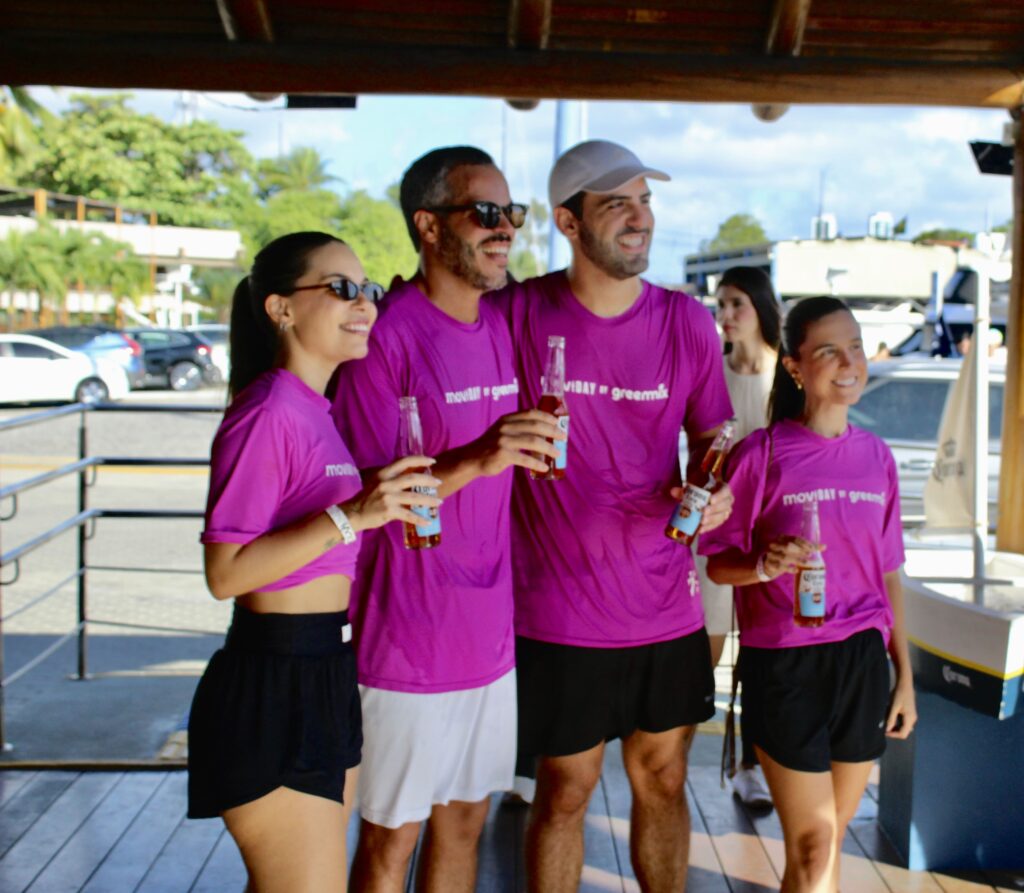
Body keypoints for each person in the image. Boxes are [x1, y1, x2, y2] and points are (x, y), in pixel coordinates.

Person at [491, 139, 735, 892]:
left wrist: (716, 488)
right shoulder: (516, 313)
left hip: (665, 603)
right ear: (568, 222)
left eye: (646, 201)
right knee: (564, 789)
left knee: (664, 779)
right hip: (557, 611)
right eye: (617, 203)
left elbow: (713, 439)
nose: (640, 218)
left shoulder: (686, 322)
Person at [331, 147, 563, 893]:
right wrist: (479, 457)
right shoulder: (384, 338)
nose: (506, 229)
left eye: (512, 213)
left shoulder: (495, 326)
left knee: (465, 824)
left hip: (487, 633)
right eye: (485, 212)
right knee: (390, 839)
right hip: (405, 638)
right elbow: (369, 498)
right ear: (428, 226)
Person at [187, 231, 441, 893]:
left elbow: (311, 519)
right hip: (275, 678)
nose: (365, 304)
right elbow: (225, 573)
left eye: (369, 290)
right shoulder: (268, 410)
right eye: (342, 288)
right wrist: (352, 514)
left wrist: (372, 498)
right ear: (281, 308)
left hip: (325, 668)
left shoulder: (313, 409)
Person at [701, 295, 917, 893]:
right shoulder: (761, 454)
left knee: (827, 843)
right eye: (829, 351)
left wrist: (904, 676)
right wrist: (763, 566)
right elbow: (718, 566)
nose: (849, 363)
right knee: (814, 842)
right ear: (795, 366)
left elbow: (889, 576)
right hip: (785, 664)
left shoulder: (877, 458)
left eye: (855, 347)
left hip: (862, 662)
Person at [697, 265, 780, 810]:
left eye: (736, 304)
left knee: (761, 661)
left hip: (771, 533)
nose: (725, 316)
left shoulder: (788, 377)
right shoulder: (713, 374)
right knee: (703, 654)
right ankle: (674, 755)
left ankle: (752, 765)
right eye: (721, 305)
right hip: (716, 534)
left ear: (760, 307)